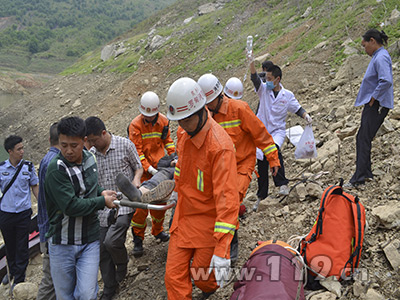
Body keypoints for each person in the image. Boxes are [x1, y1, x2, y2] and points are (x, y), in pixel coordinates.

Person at [164, 77, 240, 299]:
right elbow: (183, 171)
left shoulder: (219, 147)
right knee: (173, 278)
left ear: (199, 112)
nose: (181, 127)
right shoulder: (184, 134)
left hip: (208, 222)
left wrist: (223, 249)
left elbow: (227, 200)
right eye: (178, 121)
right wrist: (175, 193)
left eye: (184, 121)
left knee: (203, 277)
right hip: (184, 218)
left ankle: (210, 286)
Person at [198, 73, 280, 265]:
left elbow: (261, 135)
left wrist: (273, 159)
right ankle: (214, 239)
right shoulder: (207, 115)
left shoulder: (239, 109)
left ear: (218, 97)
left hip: (242, 163)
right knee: (212, 201)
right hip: (220, 167)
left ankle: (231, 242)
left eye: (208, 103)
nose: (206, 108)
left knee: (231, 200)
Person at [45, 116, 117, 300]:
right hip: (62, 242)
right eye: (64, 145)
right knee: (65, 295)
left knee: (86, 294)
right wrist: (102, 202)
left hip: (89, 239)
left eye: (74, 145)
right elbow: (70, 206)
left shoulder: (90, 158)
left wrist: (100, 193)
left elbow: (89, 188)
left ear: (84, 140)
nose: (68, 151)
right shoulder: (56, 169)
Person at [85, 116, 143, 300]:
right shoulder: (92, 154)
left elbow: (138, 167)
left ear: (104, 133)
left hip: (125, 203)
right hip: (103, 207)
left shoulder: (124, 144)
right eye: (89, 141)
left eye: (94, 140)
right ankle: (110, 287)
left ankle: (122, 262)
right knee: (102, 248)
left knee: (112, 241)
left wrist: (135, 181)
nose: (92, 144)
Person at [248, 56, 312, 200]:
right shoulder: (263, 90)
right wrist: (251, 62)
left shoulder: (287, 95)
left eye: (270, 78)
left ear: (278, 79)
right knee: (262, 161)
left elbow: (297, 108)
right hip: (261, 131)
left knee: (274, 150)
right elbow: (254, 78)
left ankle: (282, 183)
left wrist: (306, 116)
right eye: (266, 78)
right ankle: (262, 194)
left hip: (277, 131)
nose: (267, 80)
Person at [128, 91, 175, 257]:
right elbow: (137, 152)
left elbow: (167, 141)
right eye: (145, 116)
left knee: (160, 206)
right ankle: (138, 241)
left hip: (160, 168)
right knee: (140, 210)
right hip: (142, 171)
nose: (148, 119)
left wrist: (173, 156)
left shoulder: (163, 121)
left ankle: (157, 231)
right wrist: (148, 169)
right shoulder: (135, 125)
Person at [345, 29, 393, 189]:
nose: (364, 49)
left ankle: (358, 178)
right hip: (375, 104)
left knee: (363, 138)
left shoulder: (381, 57)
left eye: (365, 45)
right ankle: (366, 173)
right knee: (363, 138)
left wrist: (374, 98)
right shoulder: (379, 56)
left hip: (377, 105)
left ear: (372, 41)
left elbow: (386, 80)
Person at [0, 135, 38, 289]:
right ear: (10, 151)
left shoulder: (28, 167)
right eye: (19, 149)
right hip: (6, 213)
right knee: (10, 244)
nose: (22, 151)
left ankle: (19, 278)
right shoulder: (1, 169)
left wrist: (41, 204)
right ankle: (12, 272)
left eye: (22, 148)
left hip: (23, 213)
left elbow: (35, 186)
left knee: (22, 245)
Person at [37, 123, 59, 300]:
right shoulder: (54, 161)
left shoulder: (47, 159)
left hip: (47, 228)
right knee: (51, 280)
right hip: (53, 231)